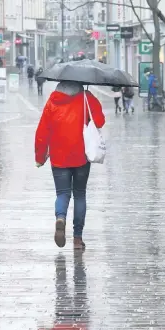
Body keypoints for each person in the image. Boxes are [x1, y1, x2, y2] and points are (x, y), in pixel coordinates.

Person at [35, 80, 105, 250]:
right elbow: (100, 121)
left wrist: (40, 157)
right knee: (79, 195)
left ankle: (60, 218)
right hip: (81, 155)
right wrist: (89, 100)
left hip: (59, 157)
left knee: (62, 194)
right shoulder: (86, 97)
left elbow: (42, 131)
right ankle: (77, 239)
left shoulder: (53, 101)